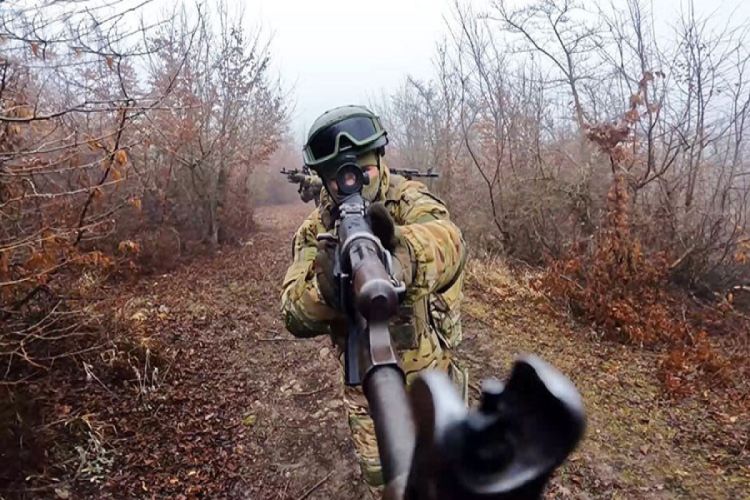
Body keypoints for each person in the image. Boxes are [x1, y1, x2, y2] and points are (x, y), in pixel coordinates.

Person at [279, 105, 467, 495]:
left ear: (381, 159)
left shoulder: (408, 201)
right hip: (369, 397)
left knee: (450, 478)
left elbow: (450, 241)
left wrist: (399, 259)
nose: (353, 182)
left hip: (436, 381)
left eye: (362, 170)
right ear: (325, 180)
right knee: (390, 484)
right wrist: (325, 289)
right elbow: (292, 312)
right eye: (339, 177)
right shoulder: (316, 231)